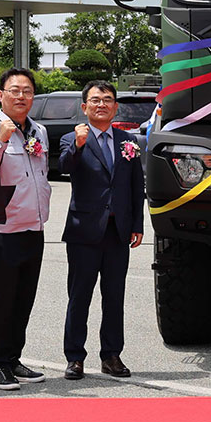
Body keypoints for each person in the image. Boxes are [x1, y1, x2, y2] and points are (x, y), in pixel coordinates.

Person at [56, 80, 145, 381]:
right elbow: (64, 167)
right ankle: (74, 357)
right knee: (79, 296)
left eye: (107, 100)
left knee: (114, 296)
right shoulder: (72, 138)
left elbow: (136, 186)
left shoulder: (127, 141)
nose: (101, 104)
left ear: (115, 107)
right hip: (84, 232)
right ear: (85, 107)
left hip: (117, 232)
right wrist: (79, 144)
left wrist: (137, 224)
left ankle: (111, 355)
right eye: (95, 100)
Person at [0, 67, 55, 391]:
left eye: (27, 91)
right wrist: (2, 140)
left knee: (23, 299)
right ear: (1, 95)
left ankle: (15, 358)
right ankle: (0, 364)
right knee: (1, 301)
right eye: (15, 90)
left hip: (33, 228)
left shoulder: (39, 131)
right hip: (2, 231)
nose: (21, 96)